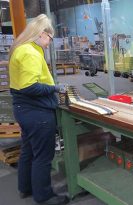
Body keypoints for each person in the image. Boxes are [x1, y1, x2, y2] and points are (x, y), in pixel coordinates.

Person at [9, 14, 69, 205]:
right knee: (43, 156)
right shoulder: (30, 52)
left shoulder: (22, 49)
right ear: (43, 33)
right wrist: (55, 88)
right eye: (50, 38)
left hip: (23, 110)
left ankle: (25, 188)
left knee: (29, 151)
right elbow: (30, 87)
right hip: (37, 113)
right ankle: (44, 196)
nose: (50, 43)